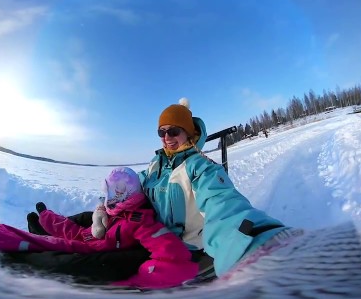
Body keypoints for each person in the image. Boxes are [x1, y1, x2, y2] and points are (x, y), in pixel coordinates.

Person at [21, 98, 300, 283]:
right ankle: (46, 230)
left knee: (95, 261)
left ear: (189, 134)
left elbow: (224, 207)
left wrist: (259, 246)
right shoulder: (156, 166)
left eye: (174, 131)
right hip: (144, 227)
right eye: (162, 131)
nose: (167, 137)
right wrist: (100, 209)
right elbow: (124, 189)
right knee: (88, 217)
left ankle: (28, 262)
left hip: (173, 246)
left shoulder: (202, 169)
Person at [0, 166, 198, 290]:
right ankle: (15, 229)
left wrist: (143, 278)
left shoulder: (141, 221)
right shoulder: (112, 211)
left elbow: (174, 256)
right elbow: (77, 230)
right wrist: (48, 217)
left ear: (123, 194)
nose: (107, 197)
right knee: (62, 231)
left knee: (48, 247)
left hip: (92, 250)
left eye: (111, 193)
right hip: (86, 239)